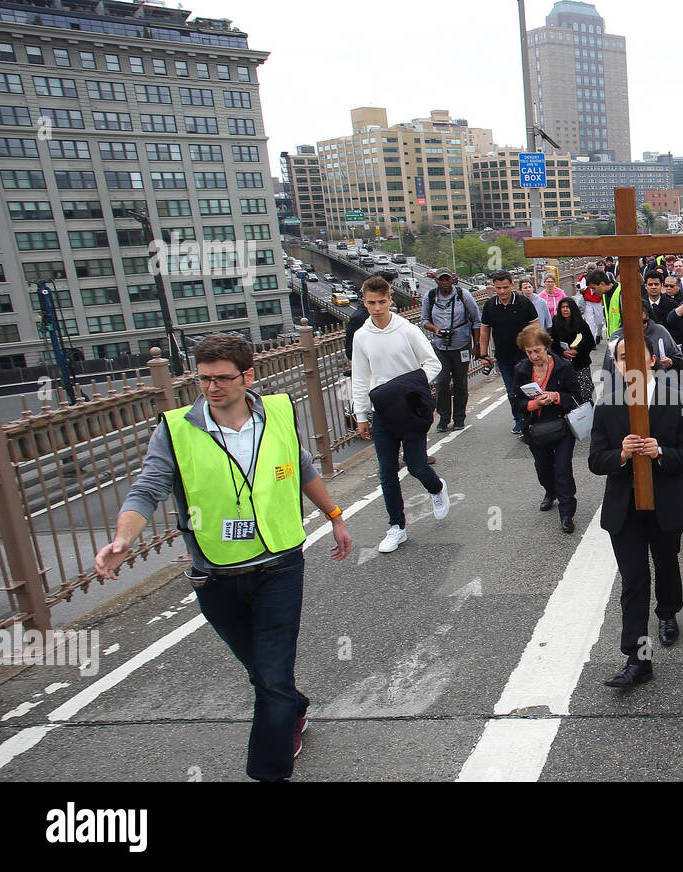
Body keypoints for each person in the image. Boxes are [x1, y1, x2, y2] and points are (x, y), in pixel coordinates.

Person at [95, 333, 353, 781]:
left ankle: (268, 772)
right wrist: (123, 541)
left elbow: (302, 468)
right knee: (261, 671)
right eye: (204, 379)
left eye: (223, 378)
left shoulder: (275, 414)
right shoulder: (176, 429)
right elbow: (147, 489)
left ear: (247, 376)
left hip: (280, 565)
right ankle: (294, 707)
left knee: (271, 677)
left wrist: (334, 515)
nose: (213, 387)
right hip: (214, 575)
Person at [590, 338, 683, 688]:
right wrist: (620, 455)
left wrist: (661, 452)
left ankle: (667, 613)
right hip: (625, 506)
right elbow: (595, 460)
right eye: (623, 358)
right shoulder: (607, 402)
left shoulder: (676, 398)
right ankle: (637, 658)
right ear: (617, 364)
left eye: (637, 357)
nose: (630, 364)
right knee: (633, 580)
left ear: (653, 360)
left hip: (666, 502)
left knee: (666, 563)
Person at [353, 276, 451, 553]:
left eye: (381, 302)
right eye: (371, 303)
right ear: (364, 301)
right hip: (382, 410)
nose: (376, 308)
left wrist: (411, 387)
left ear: (390, 299)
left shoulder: (406, 330)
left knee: (417, 465)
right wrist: (361, 414)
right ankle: (397, 526)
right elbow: (360, 377)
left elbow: (432, 363)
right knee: (386, 472)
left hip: (410, 407)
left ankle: (436, 488)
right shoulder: (361, 336)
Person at [511, 323, 580, 533]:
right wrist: (534, 404)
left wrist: (556, 396)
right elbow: (515, 401)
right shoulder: (521, 369)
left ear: (546, 347)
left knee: (562, 469)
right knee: (543, 467)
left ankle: (567, 513)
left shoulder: (563, 366)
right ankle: (550, 492)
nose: (534, 356)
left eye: (537, 351)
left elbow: (577, 396)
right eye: (529, 352)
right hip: (535, 427)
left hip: (562, 425)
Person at [481, 271, 541, 436]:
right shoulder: (490, 305)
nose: (501, 291)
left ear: (512, 286)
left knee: (528, 388)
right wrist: (483, 353)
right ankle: (519, 421)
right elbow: (485, 329)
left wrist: (536, 351)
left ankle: (530, 419)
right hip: (503, 357)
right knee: (511, 391)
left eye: (505, 287)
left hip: (524, 356)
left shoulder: (524, 303)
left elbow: (535, 327)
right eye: (498, 288)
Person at [422, 271, 482, 433]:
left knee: (460, 383)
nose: (445, 282)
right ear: (436, 281)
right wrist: (435, 329)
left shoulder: (464, 295)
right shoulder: (431, 296)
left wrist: (477, 344)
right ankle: (443, 417)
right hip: (441, 346)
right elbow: (424, 320)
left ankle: (459, 418)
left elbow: (476, 320)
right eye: (441, 279)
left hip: (461, 344)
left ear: (452, 279)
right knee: (441, 383)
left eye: (447, 279)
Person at [601, 309, 683, 374]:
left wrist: (670, 362)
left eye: (643, 321)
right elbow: (607, 367)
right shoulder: (616, 336)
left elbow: (678, 356)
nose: (639, 325)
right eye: (634, 321)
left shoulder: (660, 331)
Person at [550, 296, 597, 404]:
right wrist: (563, 352)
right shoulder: (556, 324)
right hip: (563, 365)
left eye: (567, 307)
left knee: (585, 392)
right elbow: (553, 345)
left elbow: (590, 342)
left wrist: (577, 351)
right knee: (568, 393)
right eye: (562, 307)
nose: (565, 309)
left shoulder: (581, 323)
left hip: (581, 363)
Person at [581, 261, 606, 343]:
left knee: (599, 322)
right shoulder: (583, 277)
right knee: (590, 322)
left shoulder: (600, 278)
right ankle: (591, 341)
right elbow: (579, 286)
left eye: (592, 268)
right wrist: (581, 289)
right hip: (588, 302)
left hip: (598, 301)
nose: (591, 270)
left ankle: (598, 334)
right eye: (589, 268)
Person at [592, 270, 622, 338]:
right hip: (611, 339)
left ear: (602, 284)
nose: (593, 292)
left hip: (621, 340)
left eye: (593, 288)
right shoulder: (604, 295)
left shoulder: (621, 292)